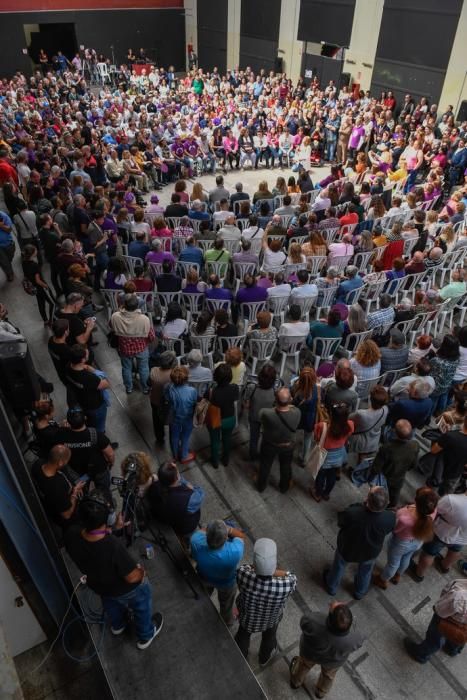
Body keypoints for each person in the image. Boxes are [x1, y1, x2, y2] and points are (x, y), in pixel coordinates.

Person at [65, 490, 164, 650]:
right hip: (126, 590)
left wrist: (112, 529)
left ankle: (118, 625)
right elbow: (132, 578)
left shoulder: (71, 534)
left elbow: (93, 536)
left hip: (100, 586)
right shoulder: (112, 546)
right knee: (142, 600)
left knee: (111, 603)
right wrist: (142, 572)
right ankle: (146, 635)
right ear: (106, 519)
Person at [323, 486, 395, 599]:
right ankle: (359, 592)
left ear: (367, 500)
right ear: (388, 502)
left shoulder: (353, 512)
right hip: (371, 552)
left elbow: (341, 523)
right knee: (366, 571)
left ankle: (332, 587)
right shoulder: (390, 517)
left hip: (348, 548)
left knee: (339, 566)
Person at [235, 538, 297, 666]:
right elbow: (291, 576)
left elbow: (245, 567)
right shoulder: (285, 585)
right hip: (271, 618)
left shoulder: (243, 574)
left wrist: (258, 568)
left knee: (243, 635)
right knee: (269, 636)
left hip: (248, 617)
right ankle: (264, 659)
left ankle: (241, 658)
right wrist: (273, 571)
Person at [289, 603, 364, 695]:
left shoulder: (313, 621)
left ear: (329, 619)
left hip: (309, 653)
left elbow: (303, 622)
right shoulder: (357, 637)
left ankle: (296, 682)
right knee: (328, 676)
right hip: (333, 662)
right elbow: (357, 645)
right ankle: (320, 692)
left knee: (303, 665)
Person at [373, 487, 439, 589]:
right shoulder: (433, 511)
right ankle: (398, 575)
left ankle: (383, 580)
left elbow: (395, 529)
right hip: (417, 541)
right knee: (407, 557)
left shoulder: (404, 516)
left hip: (401, 543)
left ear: (416, 501)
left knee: (393, 563)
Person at [190, 519, 245, 625]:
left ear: (207, 535)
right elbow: (241, 536)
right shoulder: (235, 551)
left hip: (204, 577)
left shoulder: (195, 540)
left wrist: (213, 529)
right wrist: (229, 529)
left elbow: (202, 531)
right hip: (226, 583)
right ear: (226, 538)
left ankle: (201, 610)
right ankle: (227, 621)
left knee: (204, 596)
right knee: (226, 605)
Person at [404, 578, 467, 663]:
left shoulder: (460, 597)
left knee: (435, 637)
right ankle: (452, 649)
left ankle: (421, 654)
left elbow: (440, 611)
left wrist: (437, 607)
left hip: (449, 617)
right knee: (461, 633)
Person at [54, 407, 115, 492]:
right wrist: (110, 463)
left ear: (68, 421)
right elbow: (110, 454)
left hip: (78, 473)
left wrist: (61, 426)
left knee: (82, 490)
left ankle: (86, 499)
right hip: (98, 469)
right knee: (104, 490)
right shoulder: (95, 434)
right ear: (85, 418)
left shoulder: (62, 435)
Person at [147, 461, 204, 544]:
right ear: (177, 477)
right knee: (191, 537)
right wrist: (186, 483)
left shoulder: (155, 487)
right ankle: (188, 543)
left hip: (170, 520)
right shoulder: (190, 499)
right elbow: (201, 493)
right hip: (185, 527)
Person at [257, 387, 301, 493]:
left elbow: (260, 419)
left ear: (275, 400)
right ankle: (284, 487)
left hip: (269, 444)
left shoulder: (266, 413)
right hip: (287, 445)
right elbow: (293, 407)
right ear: (290, 399)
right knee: (286, 467)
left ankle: (261, 486)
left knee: (265, 465)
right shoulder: (297, 412)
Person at [110, 293, 155, 395]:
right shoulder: (144, 319)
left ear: (124, 304)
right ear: (137, 305)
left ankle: (128, 388)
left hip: (124, 348)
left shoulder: (115, 316)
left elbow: (111, 326)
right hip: (141, 348)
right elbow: (151, 337)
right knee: (143, 368)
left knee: (126, 368)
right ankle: (145, 388)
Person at [310, 403, 354, 502]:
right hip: (338, 456)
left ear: (331, 414)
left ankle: (318, 494)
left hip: (324, 456)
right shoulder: (350, 425)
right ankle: (326, 494)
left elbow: (316, 438)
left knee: (320, 476)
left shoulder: (323, 426)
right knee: (332, 476)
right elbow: (348, 434)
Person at [31, 445, 84, 527]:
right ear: (60, 463)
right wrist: (75, 493)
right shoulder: (57, 487)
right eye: (67, 460)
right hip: (65, 516)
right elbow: (66, 514)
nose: (67, 462)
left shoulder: (38, 464)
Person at [371, 419, 419, 507]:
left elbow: (376, 467)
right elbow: (414, 464)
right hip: (400, 478)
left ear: (395, 432)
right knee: (394, 495)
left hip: (385, 478)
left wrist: (371, 476)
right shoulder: (415, 445)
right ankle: (391, 508)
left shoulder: (387, 448)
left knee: (379, 497)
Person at [65, 344, 109, 433]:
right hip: (95, 406)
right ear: (82, 360)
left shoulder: (68, 367)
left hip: (81, 401)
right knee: (99, 427)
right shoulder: (88, 377)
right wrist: (93, 370)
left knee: (89, 423)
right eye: (87, 354)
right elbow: (106, 384)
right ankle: (101, 441)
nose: (88, 354)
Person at [206, 363, 240, 468]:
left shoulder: (212, 391)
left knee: (215, 441)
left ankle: (215, 461)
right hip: (229, 418)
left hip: (216, 419)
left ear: (216, 377)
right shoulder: (235, 388)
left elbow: (207, 401)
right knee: (227, 440)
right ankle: (226, 460)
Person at [164, 365, 197, 464]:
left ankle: (175, 455)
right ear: (186, 379)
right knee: (185, 437)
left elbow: (167, 399)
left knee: (174, 437)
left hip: (174, 418)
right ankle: (184, 456)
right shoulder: (192, 391)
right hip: (188, 418)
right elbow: (195, 402)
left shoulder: (169, 388)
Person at [348, 385, 389, 463]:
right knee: (362, 455)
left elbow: (349, 419)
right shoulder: (385, 409)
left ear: (371, 399)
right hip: (375, 437)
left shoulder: (361, 414)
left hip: (361, 440)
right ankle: (359, 468)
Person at [245, 364, 277, 459]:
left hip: (254, 416)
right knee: (266, 438)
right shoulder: (275, 390)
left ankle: (253, 455)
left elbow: (246, 403)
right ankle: (264, 454)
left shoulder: (252, 387)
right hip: (268, 417)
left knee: (254, 437)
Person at [430, 414, 467, 495]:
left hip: (440, 469)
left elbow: (433, 450)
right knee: (447, 495)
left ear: (464, 421)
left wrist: (443, 437)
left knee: (431, 490)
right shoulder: (451, 435)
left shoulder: (450, 436)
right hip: (455, 473)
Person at [21, 244, 55, 326]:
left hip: (34, 288)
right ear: (33, 253)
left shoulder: (24, 262)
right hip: (41, 287)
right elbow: (38, 280)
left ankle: (45, 320)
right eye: (35, 250)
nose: (37, 251)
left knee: (41, 304)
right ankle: (51, 320)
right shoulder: (34, 265)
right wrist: (46, 286)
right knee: (52, 303)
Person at [149, 351, 177, 445]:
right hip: (170, 402)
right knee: (172, 420)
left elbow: (147, 383)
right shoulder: (174, 374)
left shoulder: (153, 370)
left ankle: (159, 437)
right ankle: (173, 439)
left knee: (157, 420)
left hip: (155, 401)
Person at [291, 366, 319, 461]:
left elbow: (292, 402)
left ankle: (290, 450)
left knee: (292, 434)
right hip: (310, 419)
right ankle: (304, 458)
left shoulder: (297, 391)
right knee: (307, 439)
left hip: (296, 417)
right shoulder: (315, 390)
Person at [429, 335, 460, 413]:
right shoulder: (456, 358)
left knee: (432, 401)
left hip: (436, 386)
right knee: (440, 398)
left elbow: (430, 370)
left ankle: (427, 417)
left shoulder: (437, 361)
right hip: (447, 383)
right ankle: (438, 412)